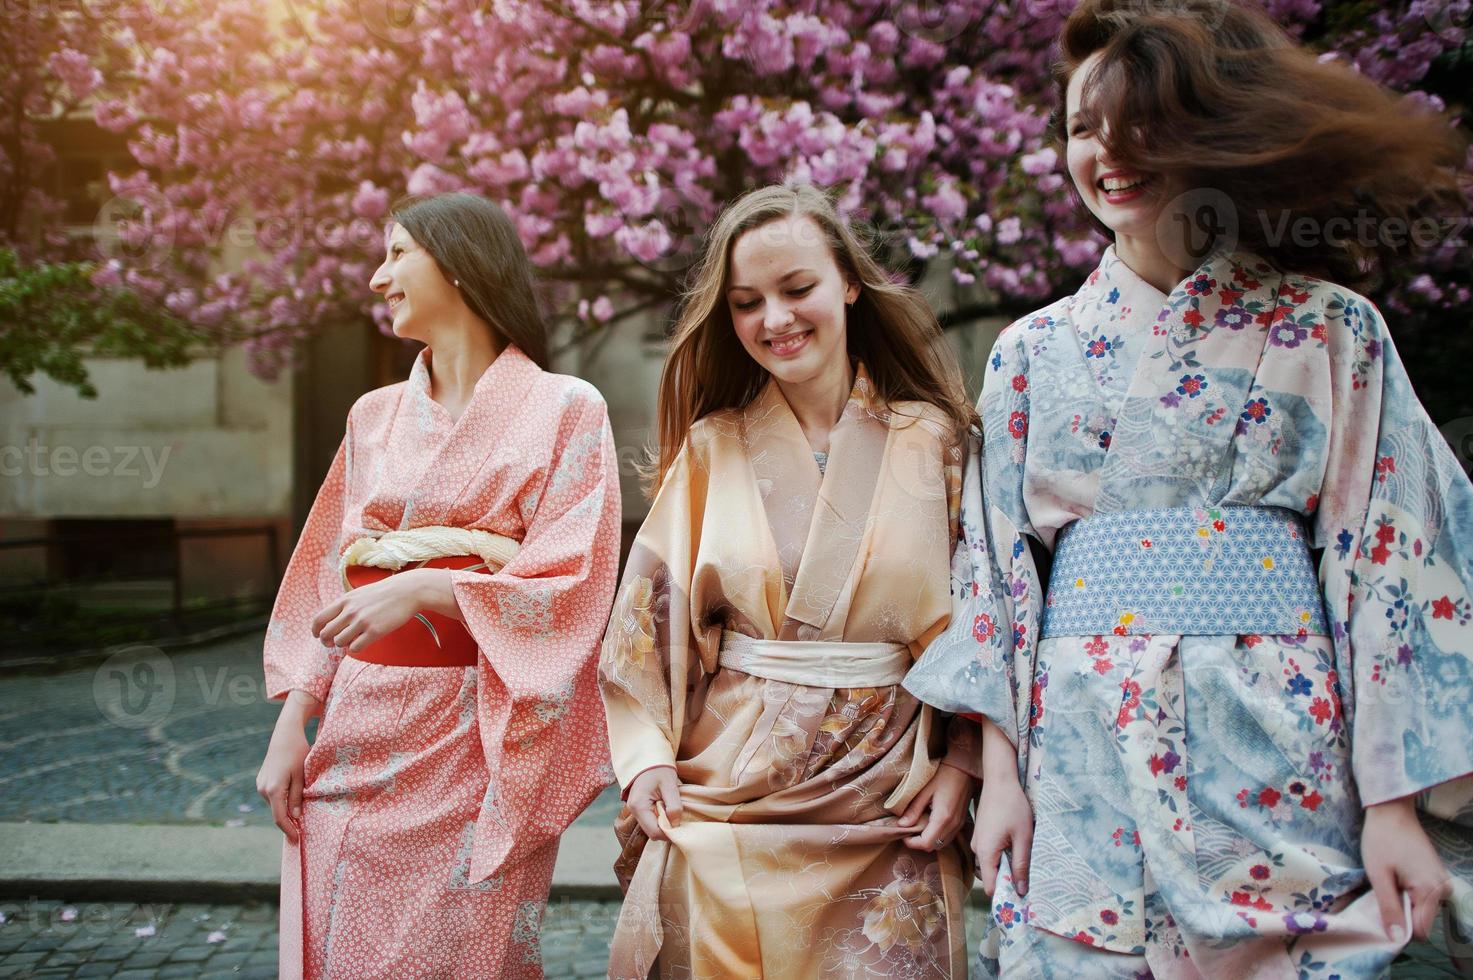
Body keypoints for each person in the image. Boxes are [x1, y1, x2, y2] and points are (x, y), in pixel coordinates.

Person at [904, 0, 1473, 976]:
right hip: (1078, 750)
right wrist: (999, 770)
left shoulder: (1331, 329)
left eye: (1142, 126)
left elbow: (1391, 556)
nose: (1109, 153)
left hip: (1275, 741)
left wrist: (1394, 807)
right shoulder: (1031, 351)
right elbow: (994, 573)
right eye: (1084, 129)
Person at [598, 183, 982, 978]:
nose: (774, 319)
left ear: (846, 281)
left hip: (887, 792)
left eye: (796, 288)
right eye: (746, 302)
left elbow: (987, 618)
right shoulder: (712, 448)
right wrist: (647, 760)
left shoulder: (934, 440)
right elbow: (646, 619)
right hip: (732, 784)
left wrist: (962, 763)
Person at [255, 192, 621, 978]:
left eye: (396, 254)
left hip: (479, 736)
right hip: (358, 733)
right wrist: (294, 722)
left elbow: (576, 582)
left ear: (458, 264)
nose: (379, 277)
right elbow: (327, 568)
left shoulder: (565, 407)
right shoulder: (373, 414)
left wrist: (430, 591)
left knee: (463, 955)